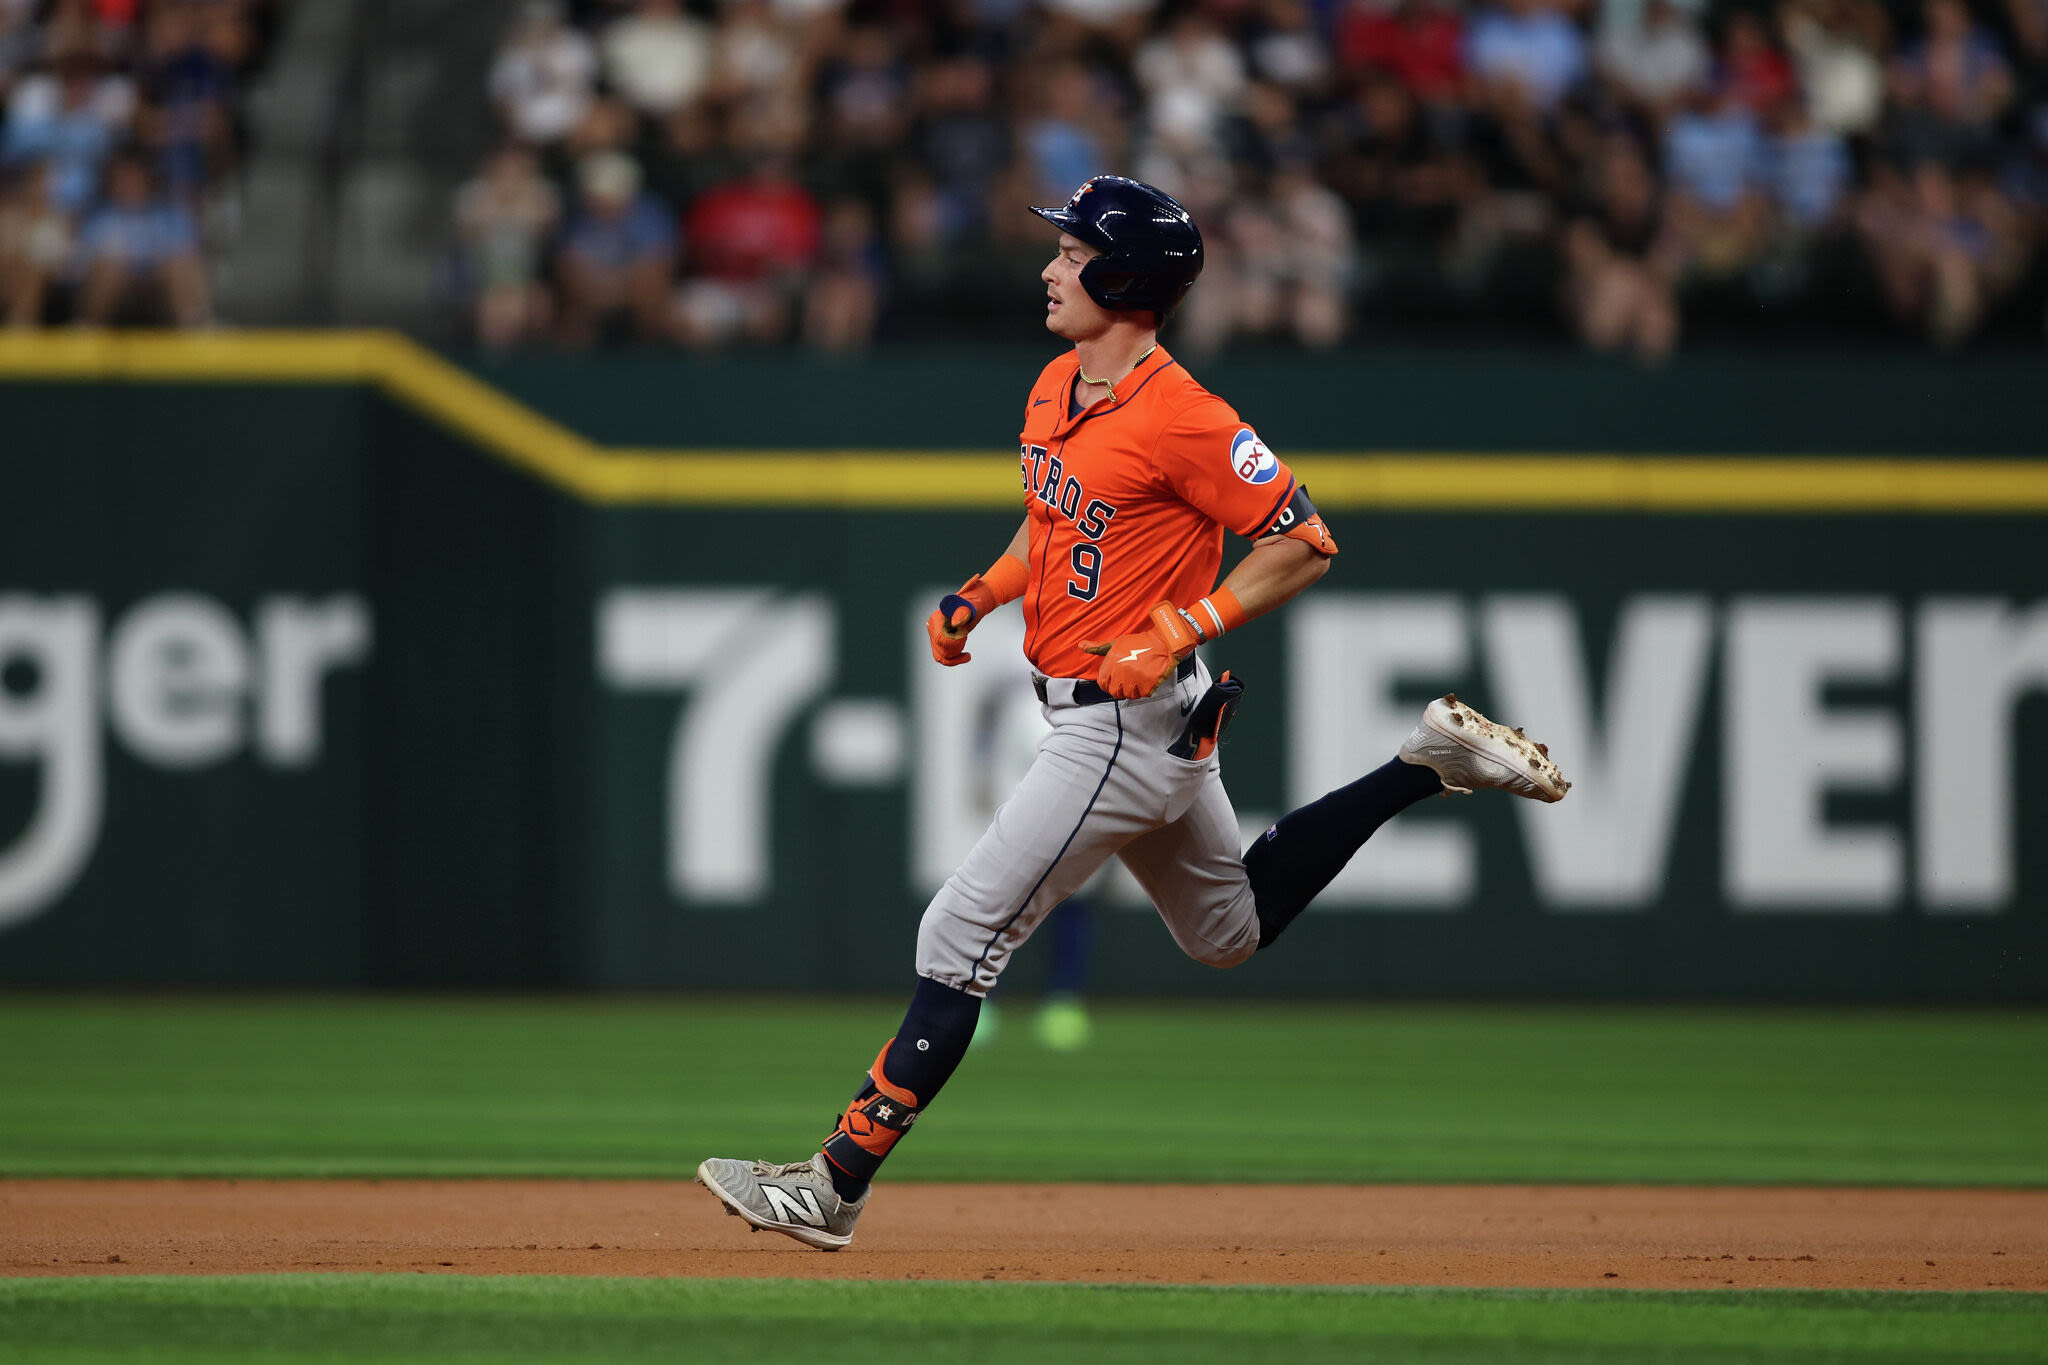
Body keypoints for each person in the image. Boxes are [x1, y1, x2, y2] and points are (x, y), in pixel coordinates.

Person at [695, 175, 1569, 1251]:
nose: (1052, 267)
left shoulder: (1185, 415)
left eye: (1070, 253)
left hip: (1119, 723)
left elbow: (1302, 540)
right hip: (1135, 720)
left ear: (1122, 276)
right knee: (1224, 934)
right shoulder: (1058, 381)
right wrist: (983, 590)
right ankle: (1423, 766)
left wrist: (1182, 623)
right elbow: (1046, 525)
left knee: (957, 934)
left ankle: (832, 1184)